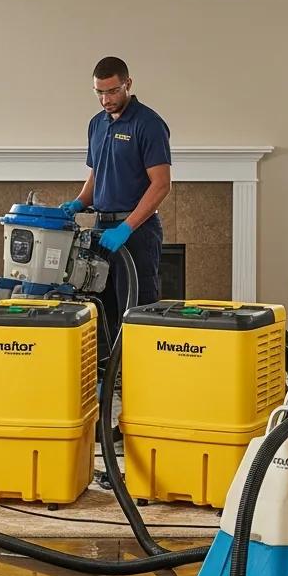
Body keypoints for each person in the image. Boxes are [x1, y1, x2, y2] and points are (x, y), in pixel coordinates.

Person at [59, 56, 171, 353]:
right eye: (99, 92)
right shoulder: (96, 124)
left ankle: (139, 383)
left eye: (112, 91)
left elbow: (161, 184)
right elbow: (97, 174)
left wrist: (126, 227)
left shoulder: (149, 124)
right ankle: (105, 381)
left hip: (136, 233)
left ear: (128, 84)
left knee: (135, 311)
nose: (106, 99)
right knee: (101, 308)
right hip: (101, 230)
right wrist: (78, 203)